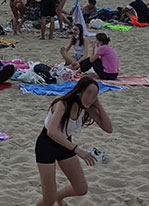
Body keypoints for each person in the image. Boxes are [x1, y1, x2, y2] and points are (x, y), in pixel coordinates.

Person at [35, 76, 113, 206]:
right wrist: (79, 151)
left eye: (95, 95)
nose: (91, 97)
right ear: (79, 91)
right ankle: (53, 198)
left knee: (81, 189)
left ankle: (58, 198)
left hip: (65, 145)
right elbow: (52, 132)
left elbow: (108, 128)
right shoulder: (62, 104)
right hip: (46, 146)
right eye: (89, 92)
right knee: (48, 200)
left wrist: (98, 104)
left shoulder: (87, 108)